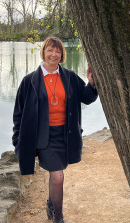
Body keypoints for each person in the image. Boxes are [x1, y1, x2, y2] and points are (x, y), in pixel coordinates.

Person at [12, 36, 98, 223]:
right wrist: (17, 138)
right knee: (58, 175)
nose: (54, 54)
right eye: (50, 50)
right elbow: (19, 112)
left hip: (65, 135)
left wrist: (91, 83)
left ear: (62, 55)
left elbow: (87, 98)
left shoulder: (69, 77)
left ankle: (51, 205)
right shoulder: (29, 81)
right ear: (43, 52)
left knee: (55, 172)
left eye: (58, 51)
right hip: (44, 137)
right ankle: (58, 217)